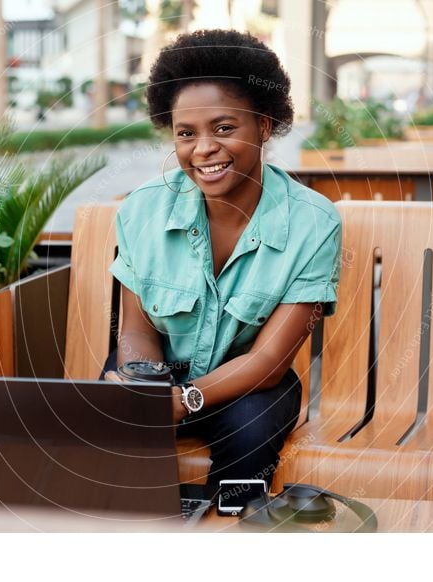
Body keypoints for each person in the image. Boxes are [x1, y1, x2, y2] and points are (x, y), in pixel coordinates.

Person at [103, 29, 342, 488]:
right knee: (115, 434)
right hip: (161, 374)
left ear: (265, 126)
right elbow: (135, 329)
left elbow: (270, 359)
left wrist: (184, 400)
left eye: (224, 128)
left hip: (250, 386)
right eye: (186, 134)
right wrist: (143, 383)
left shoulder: (314, 222)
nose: (204, 149)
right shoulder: (142, 210)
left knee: (250, 435)